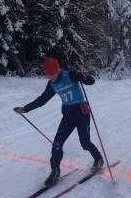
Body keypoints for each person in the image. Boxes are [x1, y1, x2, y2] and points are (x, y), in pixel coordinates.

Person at [14, 57, 103, 186]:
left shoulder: (71, 75)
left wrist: (83, 77)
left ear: (58, 70)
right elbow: (42, 99)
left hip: (82, 112)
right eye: (48, 75)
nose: (50, 77)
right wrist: (25, 109)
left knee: (85, 142)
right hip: (68, 115)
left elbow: (91, 81)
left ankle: (98, 159)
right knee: (57, 143)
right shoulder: (52, 84)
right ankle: (55, 171)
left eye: (52, 74)